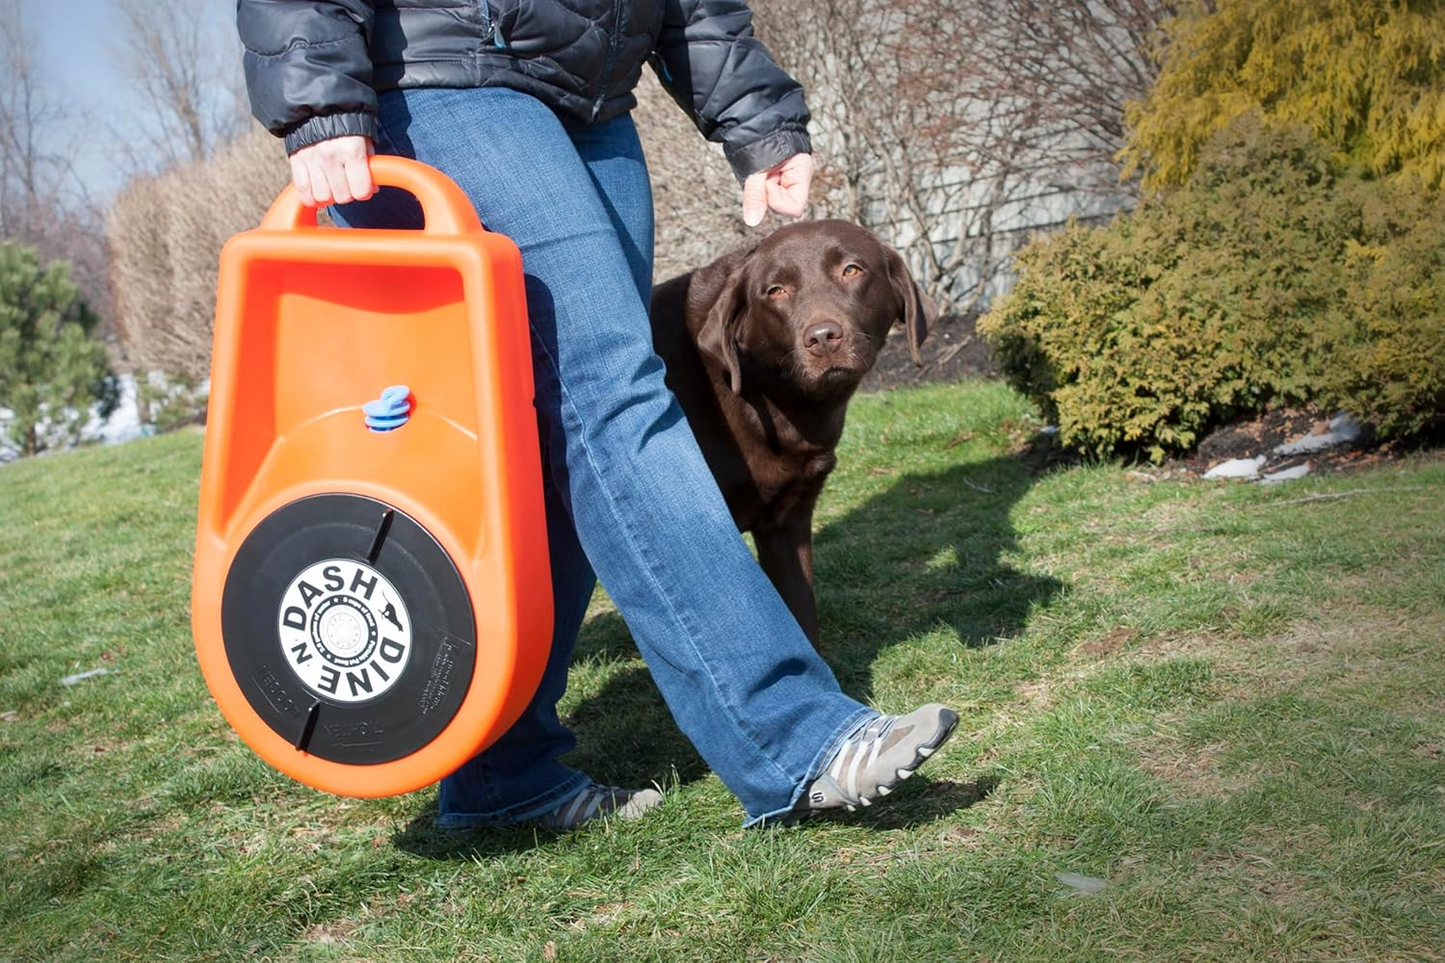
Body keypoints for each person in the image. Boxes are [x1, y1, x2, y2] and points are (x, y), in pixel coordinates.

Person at [238, 0, 958, 830]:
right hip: (448, 72)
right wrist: (319, 92)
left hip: (594, 101)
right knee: (612, 395)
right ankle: (796, 739)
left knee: (551, 434)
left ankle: (503, 777)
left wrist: (755, 115)